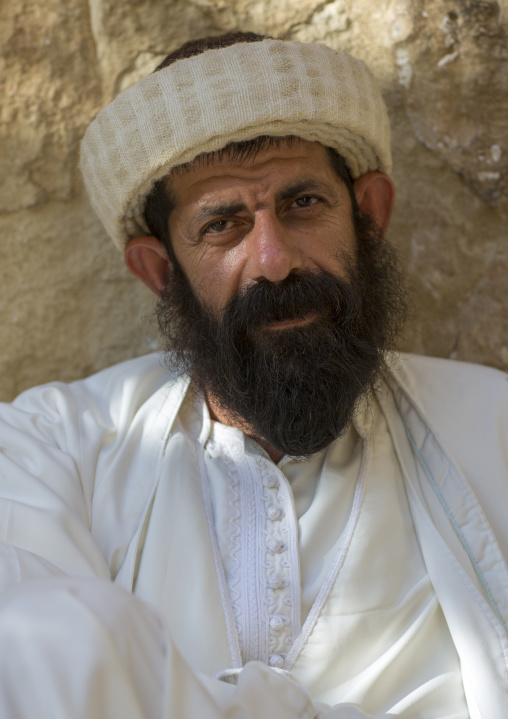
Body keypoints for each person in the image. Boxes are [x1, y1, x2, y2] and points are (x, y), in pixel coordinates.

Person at [0, 30, 507, 719]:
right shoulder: (53, 448)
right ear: (160, 272)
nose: (274, 260)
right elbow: (36, 662)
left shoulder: (495, 429)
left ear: (368, 215)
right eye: (223, 224)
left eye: (303, 204)